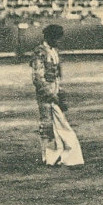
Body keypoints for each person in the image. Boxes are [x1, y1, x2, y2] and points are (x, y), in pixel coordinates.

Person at [30, 24, 84, 166]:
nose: (59, 41)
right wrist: (50, 93)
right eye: (57, 38)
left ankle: (56, 155)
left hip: (55, 90)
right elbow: (37, 77)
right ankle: (46, 157)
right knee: (47, 124)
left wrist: (60, 92)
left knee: (58, 124)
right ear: (50, 37)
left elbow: (57, 76)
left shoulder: (54, 51)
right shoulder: (40, 52)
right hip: (45, 93)